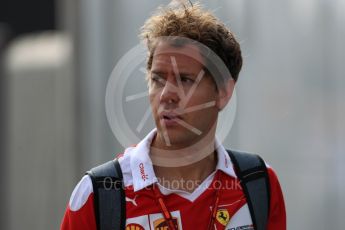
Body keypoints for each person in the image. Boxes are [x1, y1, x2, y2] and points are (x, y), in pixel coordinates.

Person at [61, 2, 286, 230]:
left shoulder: (258, 182)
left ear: (224, 92)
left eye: (185, 80)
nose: (167, 94)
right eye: (158, 79)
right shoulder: (98, 194)